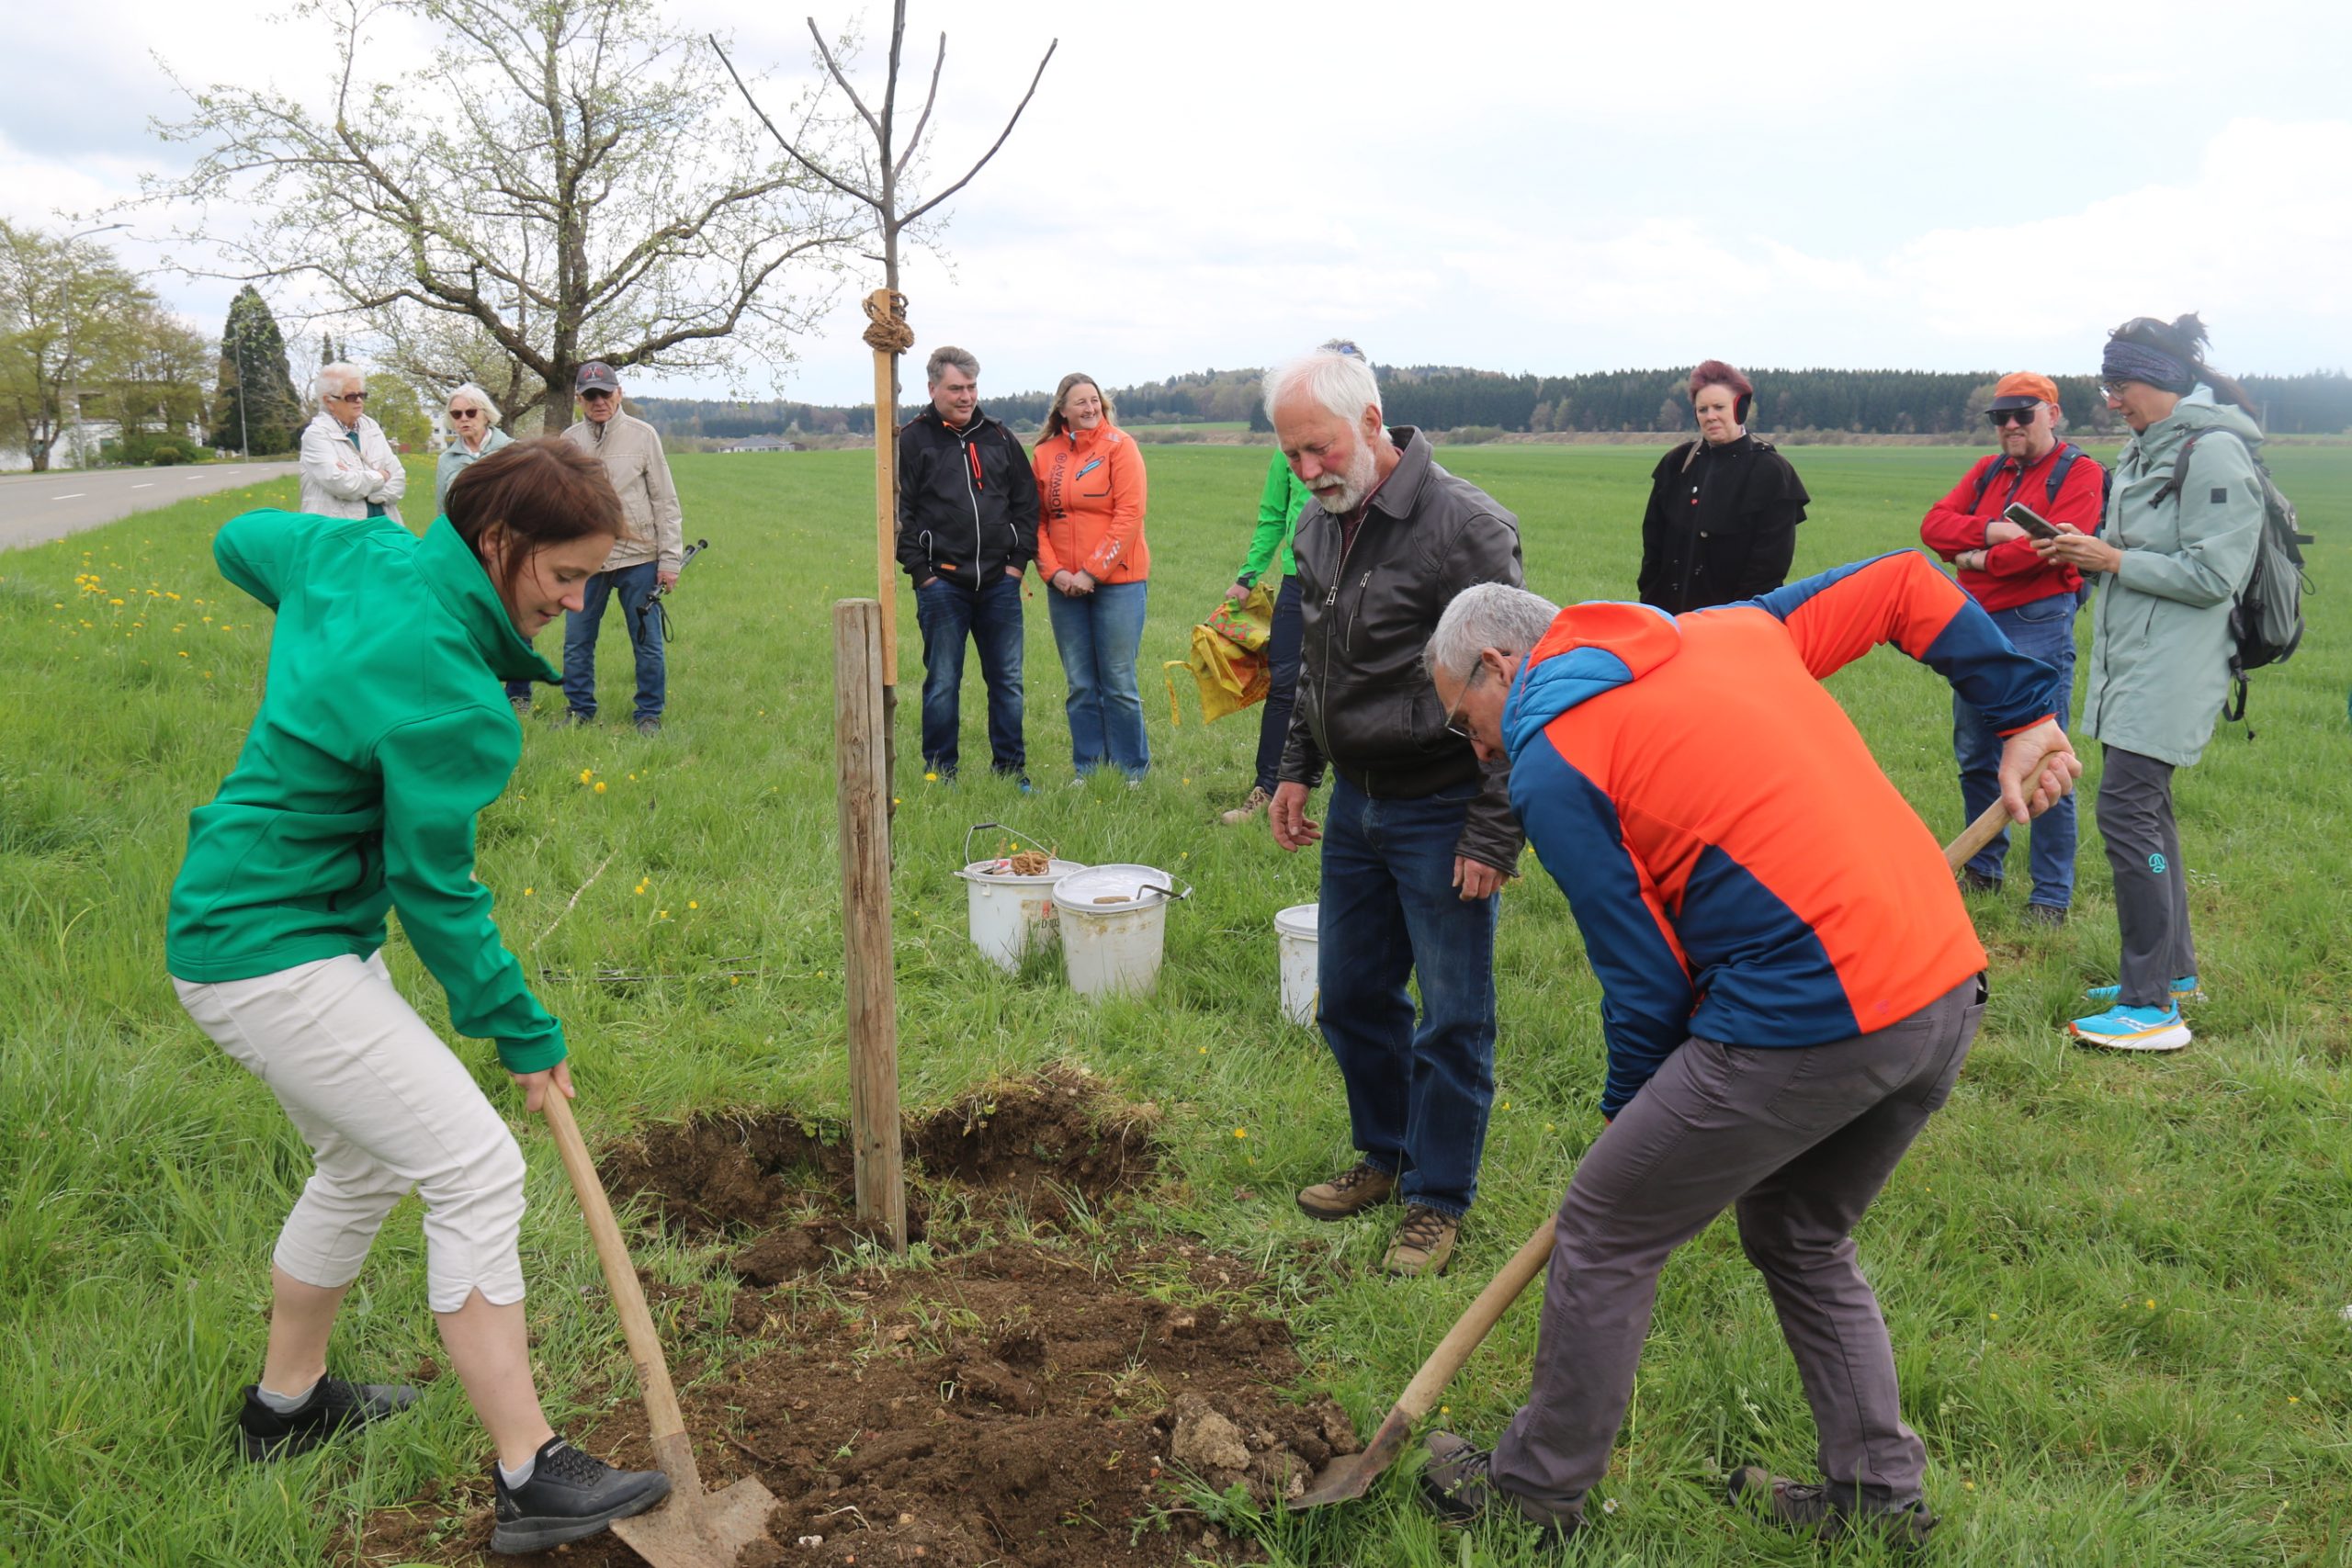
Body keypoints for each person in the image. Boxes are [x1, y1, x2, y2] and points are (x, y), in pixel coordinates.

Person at [1412, 555, 2080, 1549]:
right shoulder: (1724, 630)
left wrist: (1628, 1130)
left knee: (1605, 1226)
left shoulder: (1554, 754)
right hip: (1941, 986)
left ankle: (1532, 1499)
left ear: (1500, 665)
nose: (1480, 753)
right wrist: (2023, 712)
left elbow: (1645, 984)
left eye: (1467, 724)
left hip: (1817, 1010)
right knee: (1798, 1231)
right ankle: (1876, 1498)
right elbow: (1904, 583)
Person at [166, 438, 672, 1554]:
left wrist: (331, 589)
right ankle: (531, 1472)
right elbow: (437, 894)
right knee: (476, 1166)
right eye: (563, 576)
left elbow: (241, 541)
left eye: (589, 579)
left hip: (253, 924)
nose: (575, 603)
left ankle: (283, 1410)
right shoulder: (450, 690)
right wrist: (523, 1031)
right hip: (269, 948)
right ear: (500, 542)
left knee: (367, 1160)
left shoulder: (358, 561)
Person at [1266, 345, 1524, 1279]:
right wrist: (1296, 768)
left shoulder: (1466, 527)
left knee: (1453, 1017)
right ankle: (1385, 1154)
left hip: (1443, 804)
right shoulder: (1318, 526)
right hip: (1357, 808)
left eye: (1320, 449)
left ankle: (1437, 1200)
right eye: (1292, 455)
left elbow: (1516, 684)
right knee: (1353, 998)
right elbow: (1314, 669)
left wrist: (1493, 828)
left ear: (1372, 423)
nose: (1307, 472)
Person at [2035, 314, 2267, 1053]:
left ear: (2160, 381)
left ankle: (2151, 1007)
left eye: (2120, 384)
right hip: (2134, 662)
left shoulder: (2215, 455)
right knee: (2149, 816)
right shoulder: (2144, 451)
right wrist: (2086, 551)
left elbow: (2214, 574)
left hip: (2175, 668)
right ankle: (2174, 970)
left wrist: (2110, 560)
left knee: (2129, 816)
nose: (2111, 399)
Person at [1918, 371, 2103, 922]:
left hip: (2038, 623)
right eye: (2001, 417)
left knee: (2046, 759)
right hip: (1976, 625)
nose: (2011, 426)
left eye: (2024, 413)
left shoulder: (2082, 472)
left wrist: (1974, 557)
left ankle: (2050, 895)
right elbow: (1933, 526)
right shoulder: (1989, 470)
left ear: (2053, 413)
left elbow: (2047, 553)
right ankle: (1984, 870)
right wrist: (1999, 533)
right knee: (1975, 754)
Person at [1221, 338, 1365, 827]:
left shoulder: (1362, 449)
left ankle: (1353, 790)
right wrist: (1247, 576)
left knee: (1351, 683)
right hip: (1296, 581)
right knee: (1286, 687)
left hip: (1355, 581)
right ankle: (1267, 786)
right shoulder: (1288, 454)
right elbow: (1270, 518)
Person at [896, 345, 1038, 784]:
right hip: (943, 586)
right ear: (932, 388)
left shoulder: (998, 436)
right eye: (956, 388)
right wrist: (924, 575)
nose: (966, 396)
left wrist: (1016, 565)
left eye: (972, 387)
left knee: (1007, 682)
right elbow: (902, 513)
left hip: (999, 583)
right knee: (942, 682)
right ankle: (941, 773)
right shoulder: (913, 440)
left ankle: (1011, 772)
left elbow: (1026, 503)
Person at [1033, 372, 1151, 781]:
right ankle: (1089, 769)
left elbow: (1129, 515)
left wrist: (1091, 572)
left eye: (1094, 401)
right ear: (1062, 410)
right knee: (1080, 684)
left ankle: (1132, 771)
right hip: (1064, 586)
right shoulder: (1045, 454)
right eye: (1080, 402)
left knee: (1118, 681)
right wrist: (1055, 573)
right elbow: (1037, 521)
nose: (1089, 408)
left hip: (1118, 583)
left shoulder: (1121, 447)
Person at [556, 363, 682, 735]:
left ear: (619, 393)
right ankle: (579, 711)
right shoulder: (568, 441)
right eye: (590, 395)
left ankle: (649, 714)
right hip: (586, 561)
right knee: (577, 641)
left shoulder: (644, 436)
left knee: (647, 641)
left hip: (639, 558)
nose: (599, 401)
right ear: (579, 398)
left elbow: (665, 500)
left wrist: (669, 559)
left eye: (605, 393)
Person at [1636, 360, 1809, 612]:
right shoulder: (1676, 464)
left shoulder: (1770, 473)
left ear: (1741, 408)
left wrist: (1735, 619)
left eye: (1719, 407)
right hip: (1668, 621)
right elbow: (1653, 547)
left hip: (1732, 627)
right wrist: (1652, 607)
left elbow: (1768, 568)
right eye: (1702, 409)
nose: (1710, 416)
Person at [435, 385, 530, 716]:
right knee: (472, 624)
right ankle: (480, 695)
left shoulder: (511, 452)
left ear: (485, 414)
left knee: (513, 624)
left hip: (506, 552)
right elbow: (442, 513)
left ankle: (518, 696)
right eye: (456, 414)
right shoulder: (447, 461)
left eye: (470, 413)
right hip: (466, 555)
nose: (463, 420)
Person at [298, 362, 406, 522]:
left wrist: (367, 490)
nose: (359, 401)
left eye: (362, 395)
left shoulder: (372, 428)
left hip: (384, 527)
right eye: (351, 397)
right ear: (329, 402)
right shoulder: (316, 435)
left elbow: (398, 478)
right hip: (340, 533)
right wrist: (381, 477)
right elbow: (341, 484)